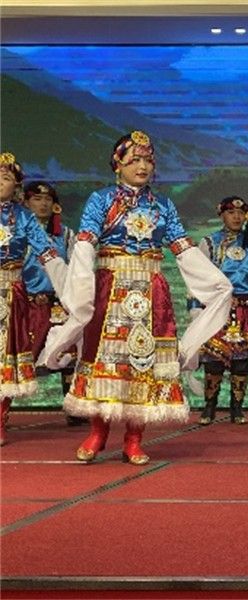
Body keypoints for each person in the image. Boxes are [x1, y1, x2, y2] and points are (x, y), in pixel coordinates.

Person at [39, 131, 232, 465]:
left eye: (148, 161)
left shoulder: (162, 205)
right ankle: (98, 432)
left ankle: (133, 439)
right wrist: (81, 291)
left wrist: (216, 283)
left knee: (144, 363)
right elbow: (85, 245)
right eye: (134, 160)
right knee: (104, 359)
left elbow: (182, 248)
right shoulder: (101, 200)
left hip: (151, 292)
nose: (143, 167)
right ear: (118, 165)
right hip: (110, 289)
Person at [191, 196, 248, 425]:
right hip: (217, 311)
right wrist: (195, 309)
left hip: (244, 311)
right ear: (221, 215)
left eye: (240, 213)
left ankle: (236, 408)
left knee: (241, 363)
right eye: (231, 213)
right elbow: (196, 279)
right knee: (213, 361)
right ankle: (209, 407)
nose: (236, 217)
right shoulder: (209, 243)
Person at [0, 154, 67, 446]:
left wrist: (67, 286)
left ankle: (0, 418)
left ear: (16, 186)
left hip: (10, 293)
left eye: (5, 177)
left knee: (6, 357)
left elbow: (46, 252)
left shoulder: (23, 217)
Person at [22, 181, 83, 426]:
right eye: (37, 199)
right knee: (18, 354)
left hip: (58, 304)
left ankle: (72, 406)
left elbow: (76, 269)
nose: (43, 204)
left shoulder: (65, 235)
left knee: (67, 351)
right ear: (26, 203)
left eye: (47, 199)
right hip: (26, 304)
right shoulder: (17, 234)